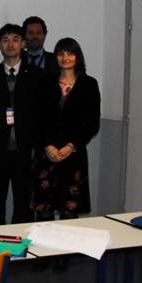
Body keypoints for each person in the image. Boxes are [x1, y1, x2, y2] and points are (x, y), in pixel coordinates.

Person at [0, 24, 43, 225]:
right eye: (5, 40)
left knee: (24, 202)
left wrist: (37, 146)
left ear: (23, 43)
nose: (10, 44)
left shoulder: (37, 75)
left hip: (26, 150)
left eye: (16, 39)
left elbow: (40, 115)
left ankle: (21, 243)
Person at [32, 37, 100, 220]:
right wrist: (47, 145)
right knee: (43, 210)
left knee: (69, 211)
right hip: (47, 153)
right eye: (61, 53)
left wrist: (71, 146)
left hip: (73, 155)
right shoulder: (44, 82)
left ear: (78, 57)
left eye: (70, 53)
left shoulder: (89, 84)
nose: (65, 57)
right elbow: (36, 119)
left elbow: (92, 123)